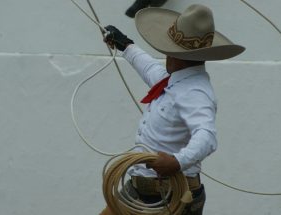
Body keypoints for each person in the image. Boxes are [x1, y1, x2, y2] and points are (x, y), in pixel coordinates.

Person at [100, 4, 245, 215]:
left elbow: (206, 137)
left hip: (170, 197)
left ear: (173, 54)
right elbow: (150, 69)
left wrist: (178, 161)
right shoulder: (177, 81)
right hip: (145, 192)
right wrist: (125, 45)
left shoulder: (195, 93)